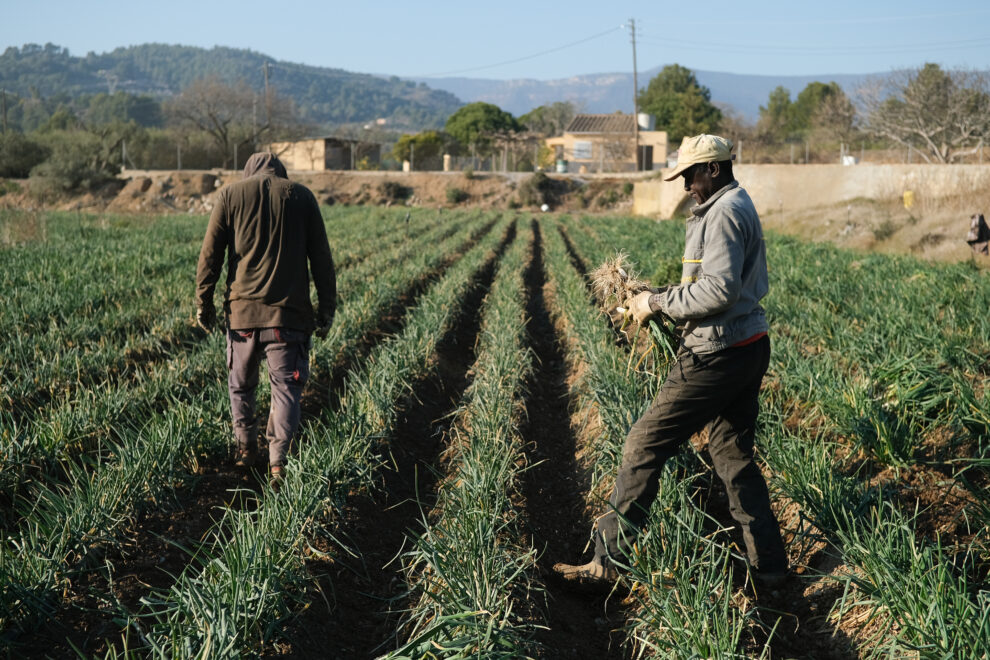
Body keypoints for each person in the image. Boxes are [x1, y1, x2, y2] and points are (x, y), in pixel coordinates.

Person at [553, 134, 788, 590]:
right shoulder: (733, 202)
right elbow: (716, 285)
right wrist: (652, 299)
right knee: (732, 457)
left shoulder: (723, 213)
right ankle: (771, 568)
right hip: (746, 344)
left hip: (717, 353)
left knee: (643, 444)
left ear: (714, 169)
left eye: (689, 175)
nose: (685, 186)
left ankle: (607, 563)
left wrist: (655, 303)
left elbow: (718, 290)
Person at [196, 152, 336, 486]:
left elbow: (210, 254)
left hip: (242, 315)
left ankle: (245, 450)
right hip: (288, 318)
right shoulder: (301, 196)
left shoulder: (231, 195)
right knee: (285, 389)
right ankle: (278, 462)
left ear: (249, 172)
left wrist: (204, 302)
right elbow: (321, 259)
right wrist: (327, 308)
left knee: (241, 385)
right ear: (281, 173)